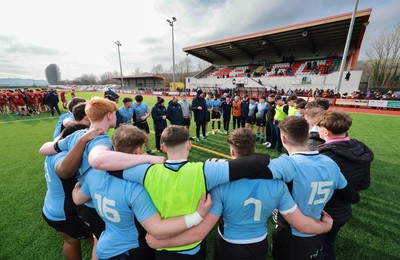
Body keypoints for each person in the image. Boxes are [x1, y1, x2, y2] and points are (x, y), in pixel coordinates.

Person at [145, 128, 334, 260]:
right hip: (259, 243)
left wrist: (159, 241)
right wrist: (326, 226)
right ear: (254, 148)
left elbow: (199, 233)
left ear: (232, 151)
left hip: (230, 246)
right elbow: (302, 224)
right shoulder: (278, 185)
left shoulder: (222, 185)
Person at [103, 125, 271, 259]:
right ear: (189, 144)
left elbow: (109, 167)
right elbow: (260, 160)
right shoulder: (205, 170)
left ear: (162, 147)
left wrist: (145, 158)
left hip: (162, 247)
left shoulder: (146, 172)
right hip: (192, 248)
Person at [39, 97, 165, 255]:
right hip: (98, 203)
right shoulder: (100, 138)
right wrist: (147, 158)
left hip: (85, 200)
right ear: (108, 116)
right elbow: (98, 160)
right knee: (113, 242)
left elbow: (44, 149)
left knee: (99, 240)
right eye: (115, 113)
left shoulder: (77, 134)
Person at [72, 125, 212, 260]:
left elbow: (77, 199)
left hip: (107, 244)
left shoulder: (94, 174)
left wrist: (79, 183)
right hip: (133, 249)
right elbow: (157, 229)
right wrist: (197, 215)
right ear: (138, 151)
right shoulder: (138, 185)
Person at [267, 116, 360, 260]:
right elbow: (353, 197)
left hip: (290, 233)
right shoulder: (330, 163)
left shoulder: (285, 163)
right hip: (317, 230)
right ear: (308, 135)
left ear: (283, 139)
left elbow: (251, 170)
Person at [315, 110, 374, 260]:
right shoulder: (360, 150)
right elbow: (364, 184)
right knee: (328, 245)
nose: (317, 131)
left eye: (318, 128)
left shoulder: (323, 156)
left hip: (324, 211)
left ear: (326, 132)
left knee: (318, 248)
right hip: (343, 211)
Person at [43, 124, 102, 260]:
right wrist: (82, 141)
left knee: (82, 236)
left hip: (52, 206)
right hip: (63, 213)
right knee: (72, 239)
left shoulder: (53, 150)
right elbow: (64, 172)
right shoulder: (63, 156)